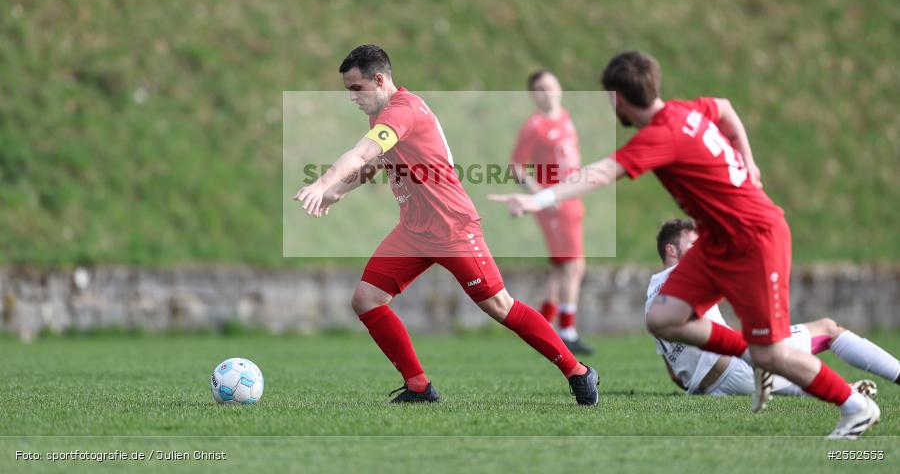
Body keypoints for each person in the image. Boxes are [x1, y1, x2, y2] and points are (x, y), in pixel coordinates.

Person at [489, 50, 881, 438]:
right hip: (717, 241)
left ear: (617, 99)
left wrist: (536, 199)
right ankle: (750, 353)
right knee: (662, 319)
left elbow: (601, 173)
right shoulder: (683, 112)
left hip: (755, 239)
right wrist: (748, 158)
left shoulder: (661, 135)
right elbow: (725, 108)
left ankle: (854, 405)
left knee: (773, 354)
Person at [293, 44, 598, 405]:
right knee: (367, 299)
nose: (352, 98)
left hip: (453, 228)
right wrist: (339, 192)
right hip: (414, 231)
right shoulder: (382, 115)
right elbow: (374, 164)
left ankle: (578, 371)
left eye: (356, 89)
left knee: (500, 306)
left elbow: (361, 153)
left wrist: (321, 183)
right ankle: (419, 386)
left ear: (379, 79)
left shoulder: (403, 111)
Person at [648, 218, 900, 397]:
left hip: (710, 390)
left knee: (790, 372)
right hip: (736, 370)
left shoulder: (651, 300)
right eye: (694, 244)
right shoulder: (687, 273)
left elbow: (673, 373)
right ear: (671, 249)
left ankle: (848, 391)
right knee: (828, 328)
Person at [510, 70, 591, 354]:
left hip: (572, 199)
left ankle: (543, 327)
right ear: (534, 95)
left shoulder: (565, 117)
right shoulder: (535, 127)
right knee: (572, 266)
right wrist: (541, 196)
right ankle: (566, 332)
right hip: (555, 204)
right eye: (541, 89)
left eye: (552, 86)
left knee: (564, 267)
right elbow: (516, 167)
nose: (549, 92)